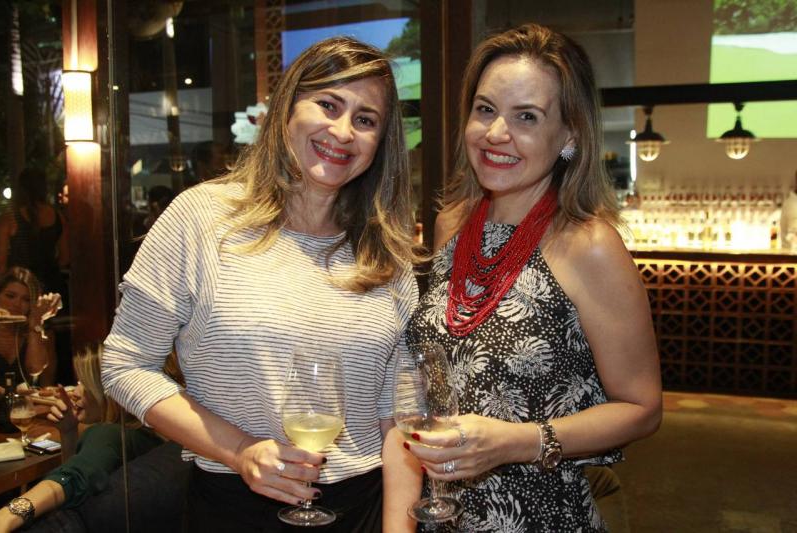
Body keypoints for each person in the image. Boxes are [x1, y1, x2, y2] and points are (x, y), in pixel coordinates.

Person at [101, 36, 419, 532]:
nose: (343, 131)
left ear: (381, 141)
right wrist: (240, 450)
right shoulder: (201, 219)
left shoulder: (387, 253)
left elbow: (396, 417)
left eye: (365, 119)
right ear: (287, 110)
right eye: (328, 105)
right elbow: (125, 365)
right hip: (233, 508)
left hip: (362, 509)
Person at [382, 23, 661, 532]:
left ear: (569, 135)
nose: (495, 133)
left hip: (542, 517)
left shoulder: (589, 245)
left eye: (526, 116)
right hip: (441, 515)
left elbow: (641, 408)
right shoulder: (452, 223)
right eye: (485, 109)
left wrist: (517, 441)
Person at [0, 345, 187, 532]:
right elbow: (83, 478)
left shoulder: (109, 434)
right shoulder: (150, 433)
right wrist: (69, 432)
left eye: (85, 384)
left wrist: (8, 515)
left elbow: (74, 476)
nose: (75, 392)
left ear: (111, 394)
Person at [0, 167, 69, 295]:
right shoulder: (57, 217)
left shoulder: (10, 219)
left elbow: (0, 265)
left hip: (22, 288)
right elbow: (65, 257)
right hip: (52, 285)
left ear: (20, 189)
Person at [0, 267, 60, 389]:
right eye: (10, 296)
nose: (17, 304)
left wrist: (35, 321)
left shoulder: (35, 332)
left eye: (26, 299)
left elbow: (35, 368)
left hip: (23, 401)